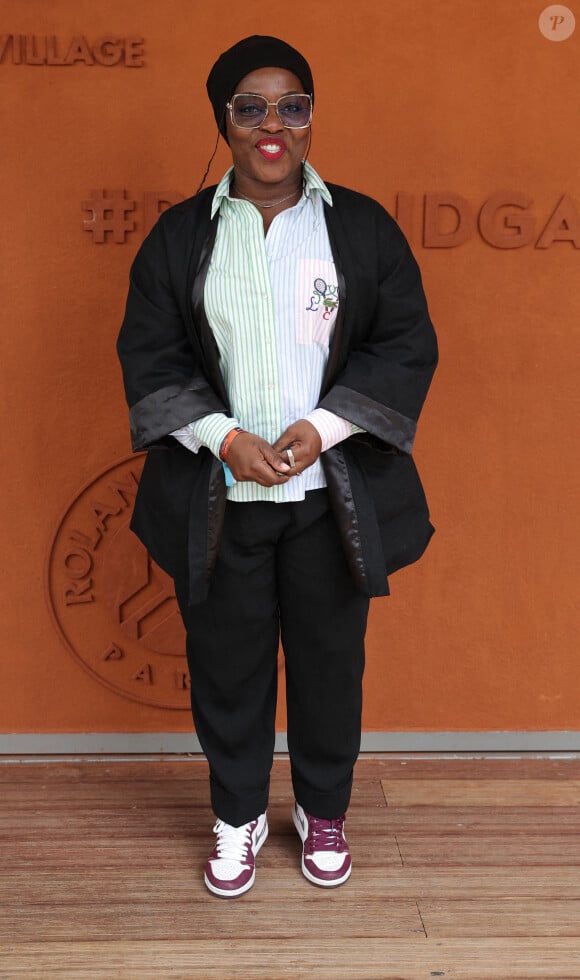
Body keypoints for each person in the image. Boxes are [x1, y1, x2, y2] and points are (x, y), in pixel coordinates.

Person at [117, 35, 437, 898]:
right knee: (227, 662)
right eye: (251, 107)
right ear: (224, 119)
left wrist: (325, 427)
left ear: (309, 117)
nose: (273, 126)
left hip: (329, 497)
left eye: (291, 106)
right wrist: (224, 438)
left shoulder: (359, 227)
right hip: (218, 497)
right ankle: (237, 815)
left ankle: (322, 809)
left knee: (332, 660)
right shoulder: (182, 237)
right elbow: (151, 356)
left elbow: (404, 343)